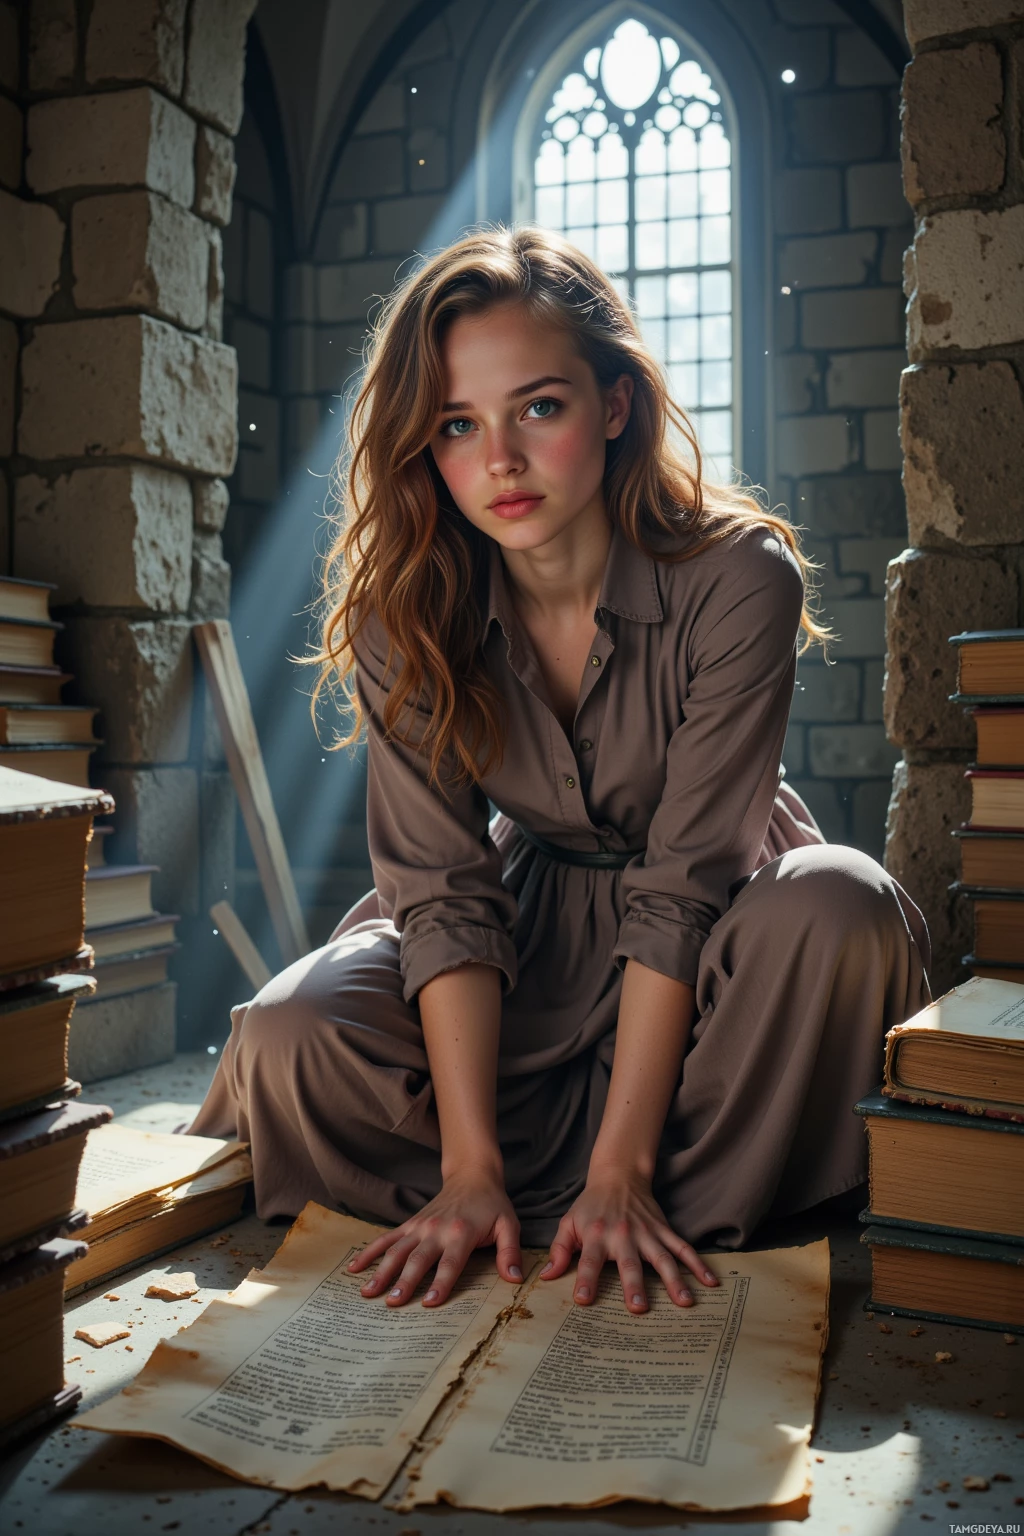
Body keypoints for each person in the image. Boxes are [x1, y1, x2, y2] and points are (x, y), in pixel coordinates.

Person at [191, 226, 930, 1317]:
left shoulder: (737, 574)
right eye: (456, 424)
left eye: (538, 407)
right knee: (293, 1030)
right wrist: (469, 1167)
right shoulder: (409, 603)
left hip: (719, 921)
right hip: (522, 932)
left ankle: (628, 1188)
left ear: (615, 404)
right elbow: (441, 891)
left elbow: (686, 884)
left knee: (836, 909)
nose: (499, 460)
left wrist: (621, 1164)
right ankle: (492, 1196)